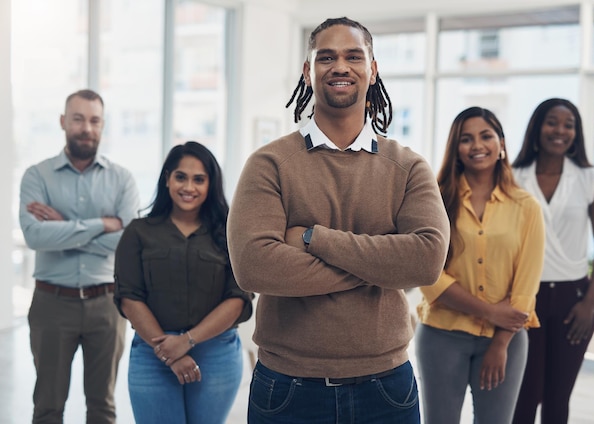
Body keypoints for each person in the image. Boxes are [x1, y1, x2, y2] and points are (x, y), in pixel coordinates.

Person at [227, 17, 450, 424]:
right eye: (326, 57)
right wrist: (381, 265)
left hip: (386, 387)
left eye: (353, 56)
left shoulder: (408, 167)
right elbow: (254, 266)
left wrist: (314, 238)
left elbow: (426, 261)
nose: (340, 66)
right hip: (288, 387)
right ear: (308, 72)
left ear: (373, 68)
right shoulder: (269, 164)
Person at [415, 106, 545, 424]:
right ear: (456, 149)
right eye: (466, 139)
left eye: (486, 136)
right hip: (442, 335)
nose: (477, 146)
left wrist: (500, 342)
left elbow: (526, 286)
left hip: (506, 340)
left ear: (501, 144)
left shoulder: (526, 207)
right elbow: (427, 273)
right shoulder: (434, 200)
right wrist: (488, 310)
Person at [19, 89, 140, 423]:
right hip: (51, 304)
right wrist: (102, 224)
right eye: (78, 119)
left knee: (102, 407)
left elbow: (128, 244)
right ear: (63, 122)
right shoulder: (36, 176)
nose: (86, 127)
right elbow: (34, 235)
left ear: (102, 125)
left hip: (107, 304)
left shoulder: (122, 180)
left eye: (94, 120)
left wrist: (65, 228)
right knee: (47, 406)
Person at [114, 141, 253, 424]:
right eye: (181, 177)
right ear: (167, 179)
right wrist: (171, 353)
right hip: (154, 352)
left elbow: (239, 299)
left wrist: (188, 341)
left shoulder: (230, 233)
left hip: (215, 353)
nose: (188, 187)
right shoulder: (138, 232)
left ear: (210, 184)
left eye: (199, 179)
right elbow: (129, 297)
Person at [512, 98, 594, 424]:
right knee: (523, 398)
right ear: (537, 127)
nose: (560, 131)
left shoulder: (591, 178)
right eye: (552, 122)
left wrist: (590, 302)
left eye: (569, 125)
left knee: (558, 402)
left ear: (577, 133)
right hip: (525, 297)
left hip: (574, 299)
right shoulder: (513, 177)